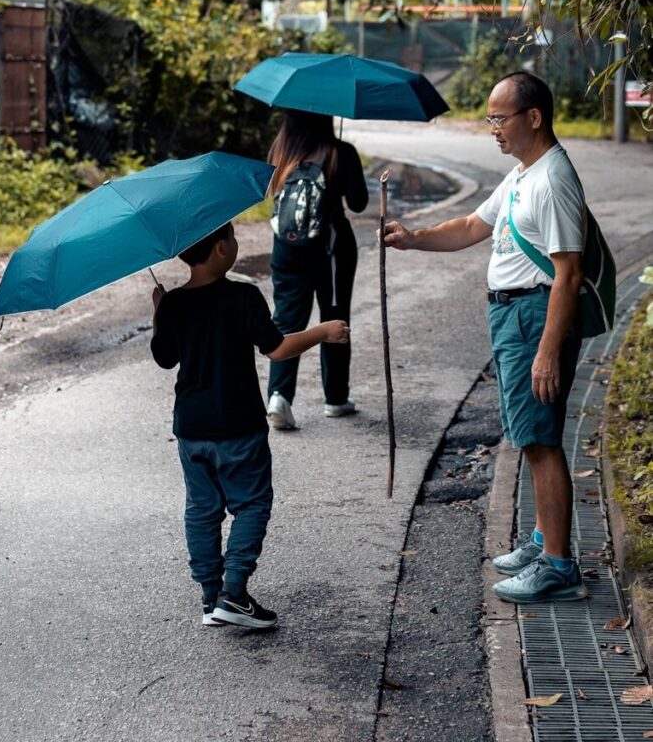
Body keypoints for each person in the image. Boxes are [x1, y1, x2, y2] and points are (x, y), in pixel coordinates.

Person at [384, 71, 588, 604]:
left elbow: (568, 274)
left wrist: (547, 351)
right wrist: (414, 239)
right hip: (511, 317)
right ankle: (546, 540)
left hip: (532, 316)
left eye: (499, 118)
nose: (492, 128)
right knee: (528, 433)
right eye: (490, 118)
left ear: (534, 118)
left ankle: (559, 566)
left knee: (540, 441)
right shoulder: (524, 173)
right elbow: (475, 225)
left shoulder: (552, 180)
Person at [150, 221, 349, 629]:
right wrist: (322, 332)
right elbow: (276, 350)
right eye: (235, 238)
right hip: (238, 424)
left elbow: (165, 358)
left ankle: (211, 598)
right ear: (222, 248)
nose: (237, 244)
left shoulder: (172, 304)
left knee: (202, 511)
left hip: (190, 427)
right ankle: (233, 593)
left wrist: (159, 312)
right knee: (252, 504)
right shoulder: (243, 296)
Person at [265, 109, 369, 430]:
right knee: (334, 317)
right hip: (331, 249)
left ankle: (279, 397)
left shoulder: (280, 151)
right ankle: (335, 398)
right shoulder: (341, 152)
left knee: (286, 320)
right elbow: (359, 203)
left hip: (285, 248)